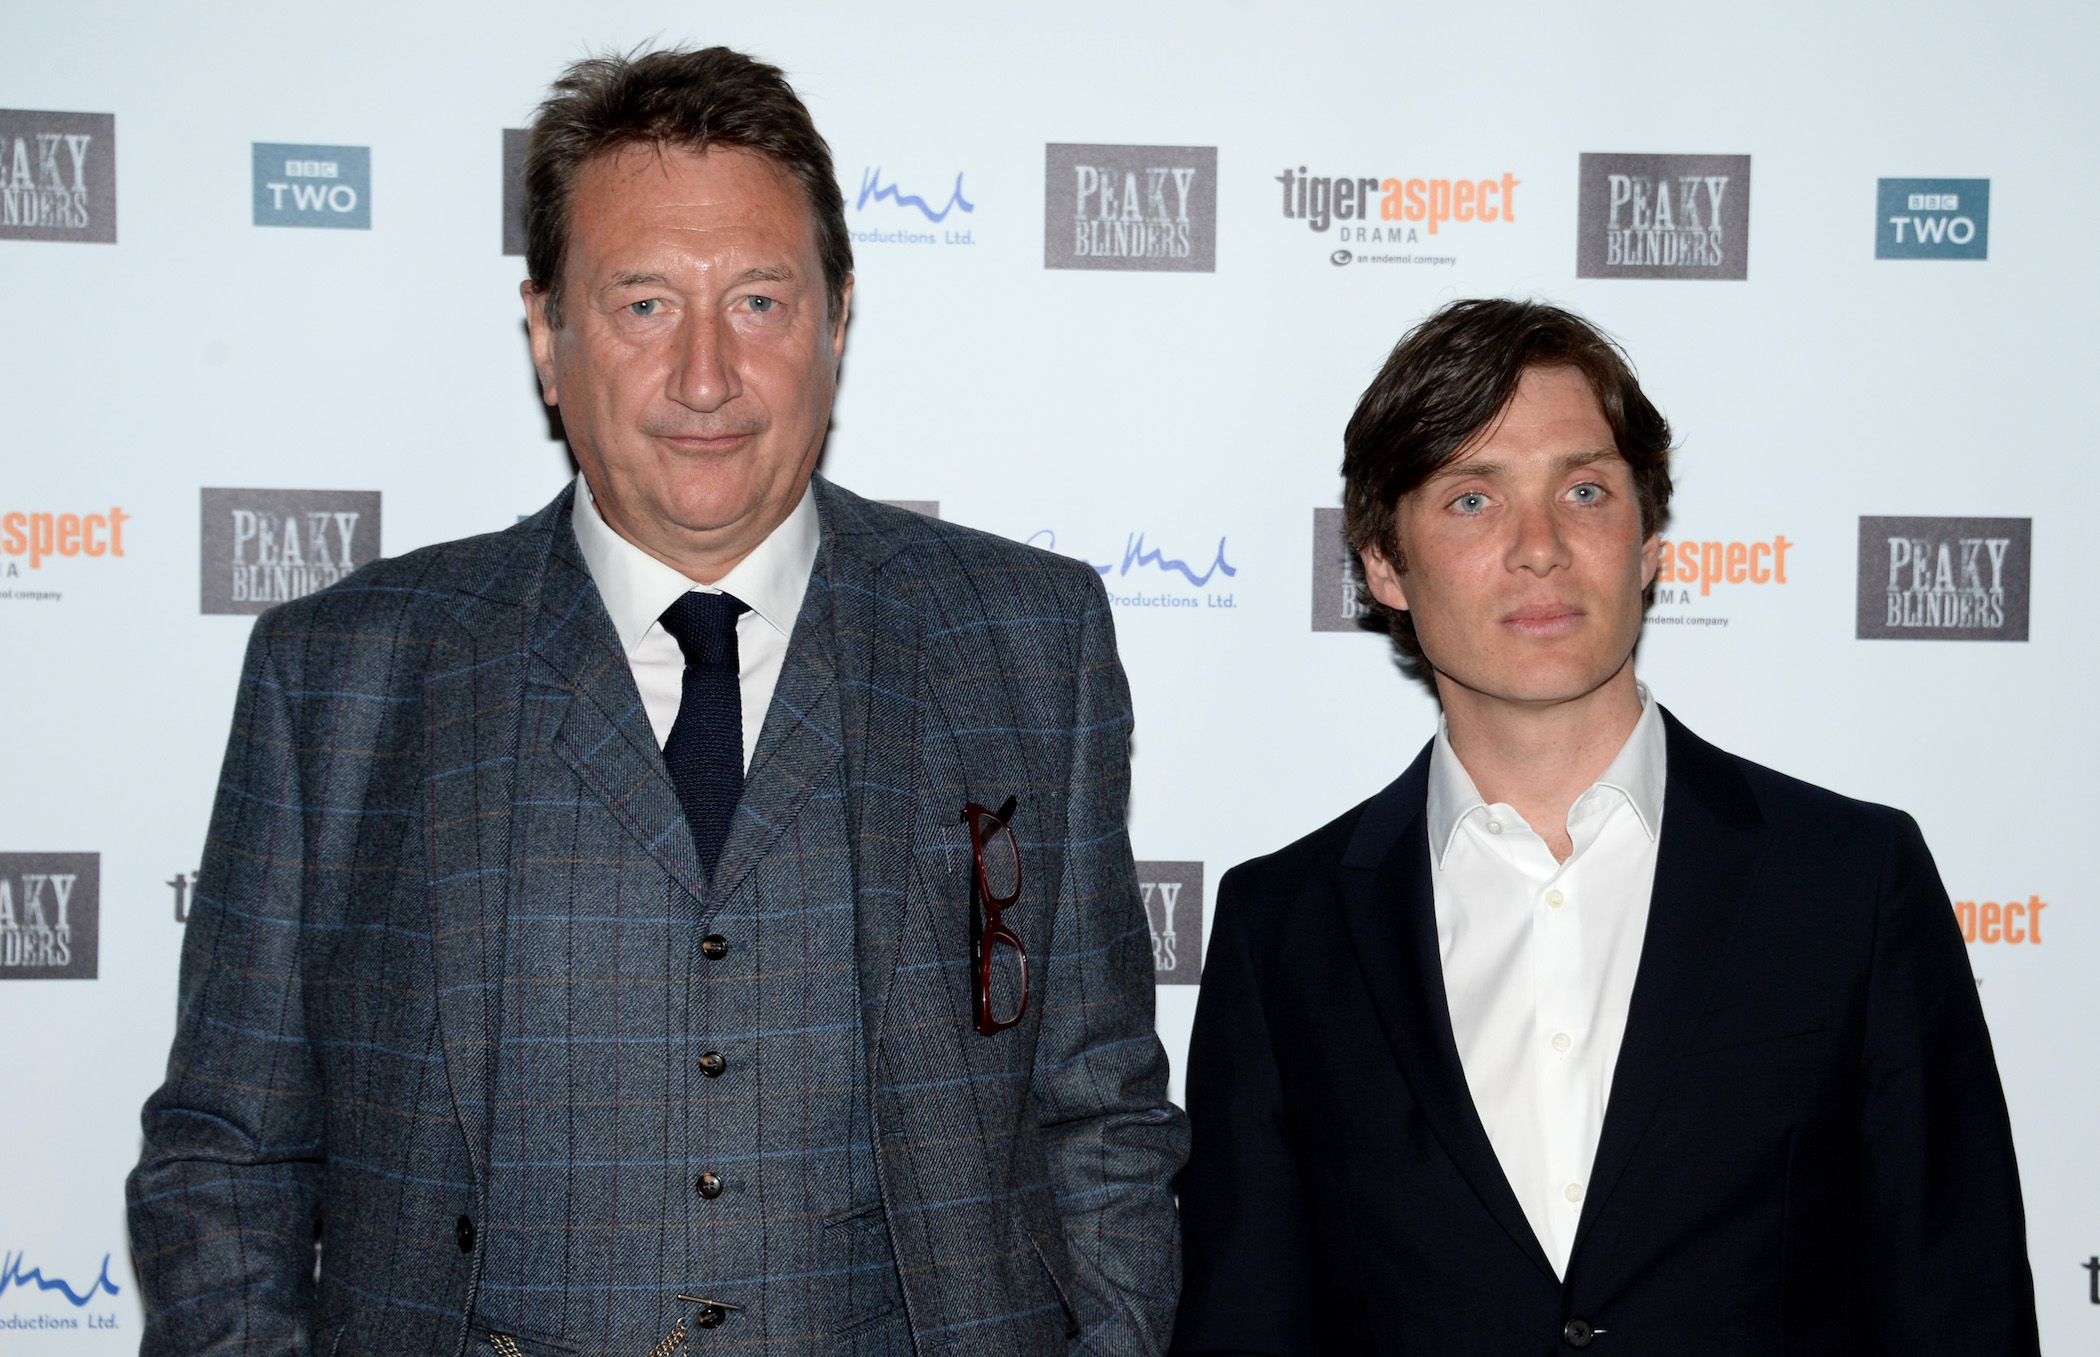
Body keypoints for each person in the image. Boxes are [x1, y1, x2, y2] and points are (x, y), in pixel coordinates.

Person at [129, 46, 1186, 1357]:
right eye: (642, 306)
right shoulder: (342, 675)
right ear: (545, 334)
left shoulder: (1028, 639)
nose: (704, 376)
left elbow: (1103, 1114)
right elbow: (229, 1150)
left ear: (838, 321)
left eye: (758, 302)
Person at [1170, 299, 2038, 1354]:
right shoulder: (1283, 926)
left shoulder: (1851, 879)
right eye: (1472, 499)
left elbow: (1958, 1301)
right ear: (1386, 566)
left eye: (1584, 490)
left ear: (1646, 542)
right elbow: (1246, 1318)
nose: (1540, 547)